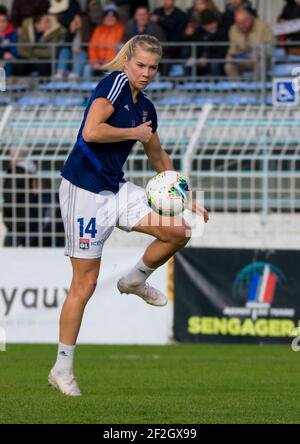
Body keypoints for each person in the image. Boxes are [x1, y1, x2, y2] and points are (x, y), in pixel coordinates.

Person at [48, 34, 209, 396]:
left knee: (179, 230)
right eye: (141, 65)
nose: (146, 73)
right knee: (84, 285)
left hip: (115, 188)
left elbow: (157, 156)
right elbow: (92, 131)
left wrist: (184, 197)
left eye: (153, 67)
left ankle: (134, 280)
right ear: (127, 62)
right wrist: (132, 132)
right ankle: (62, 367)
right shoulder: (114, 84)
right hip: (83, 192)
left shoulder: (147, 108)